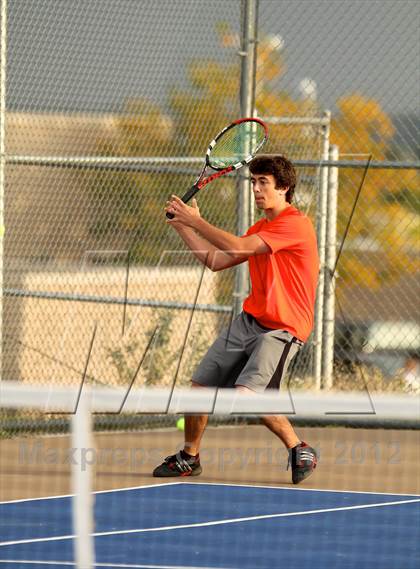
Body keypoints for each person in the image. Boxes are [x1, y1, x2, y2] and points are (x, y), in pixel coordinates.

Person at [154, 155, 319, 484]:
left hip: (283, 329)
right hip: (251, 320)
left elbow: (238, 245)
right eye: (253, 182)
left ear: (284, 188)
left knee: (247, 397)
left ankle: (300, 448)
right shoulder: (260, 228)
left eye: (263, 183)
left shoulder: (295, 224)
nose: (256, 189)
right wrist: (183, 226)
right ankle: (189, 457)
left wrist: (196, 220)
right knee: (198, 390)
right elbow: (216, 260)